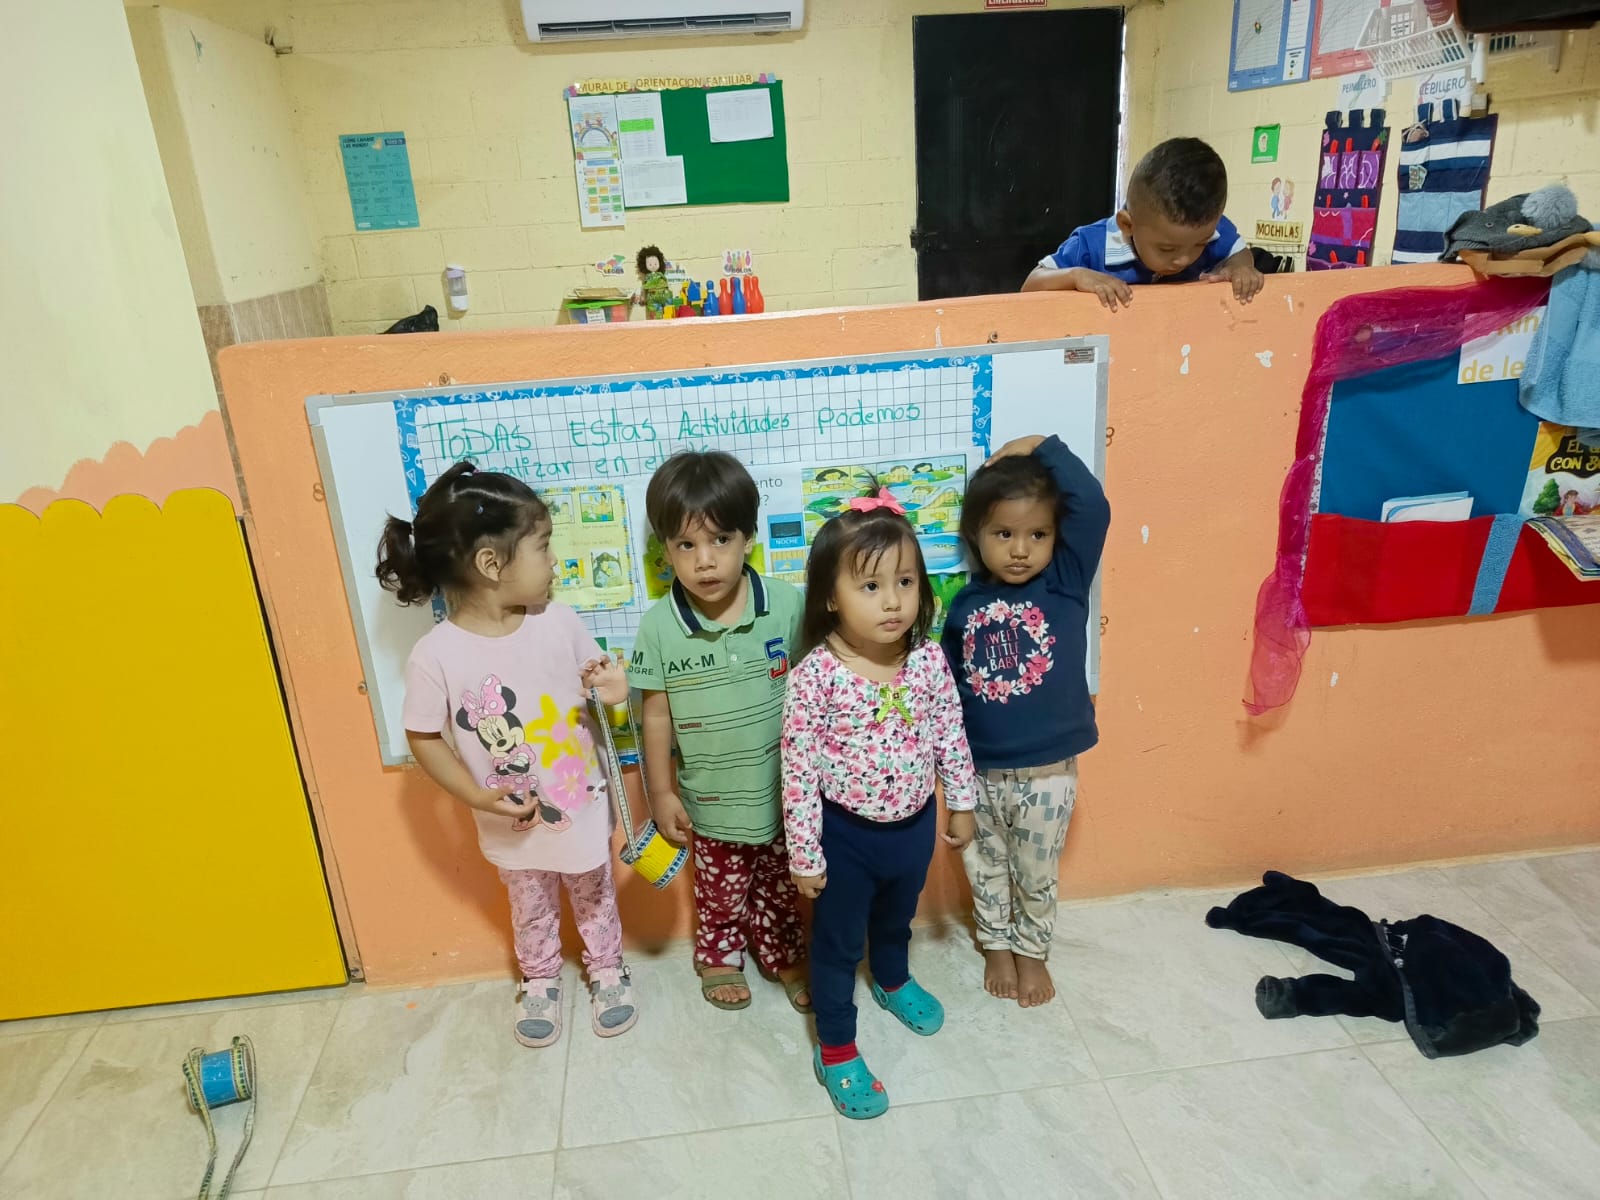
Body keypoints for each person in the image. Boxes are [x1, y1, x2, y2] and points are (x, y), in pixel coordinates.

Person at [376, 461, 636, 1048]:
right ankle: (539, 978)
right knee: (530, 903)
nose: (555, 562)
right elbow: (423, 736)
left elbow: (603, 689)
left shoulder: (560, 622)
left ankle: (607, 968)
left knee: (594, 893)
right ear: (492, 565)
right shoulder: (435, 655)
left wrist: (615, 690)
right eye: (543, 547)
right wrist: (474, 795)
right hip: (510, 818)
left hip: (579, 803)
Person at [782, 489, 979, 1120]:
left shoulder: (927, 659)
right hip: (844, 838)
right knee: (838, 945)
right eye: (871, 586)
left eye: (905, 582)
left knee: (897, 917)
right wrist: (805, 854)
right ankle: (836, 1046)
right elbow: (797, 770)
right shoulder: (814, 675)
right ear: (830, 597)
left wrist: (962, 802)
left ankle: (892, 978)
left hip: (914, 827)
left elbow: (949, 729)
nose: (893, 601)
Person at [629, 451, 811, 1013]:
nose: (705, 561)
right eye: (686, 545)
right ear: (666, 552)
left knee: (781, 888)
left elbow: (812, 693)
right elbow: (654, 714)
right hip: (708, 803)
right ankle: (718, 958)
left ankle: (782, 952)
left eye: (720, 540)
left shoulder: (786, 605)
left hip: (784, 797)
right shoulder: (659, 626)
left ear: (749, 539)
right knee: (719, 893)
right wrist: (661, 793)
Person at [942, 435, 1110, 1008]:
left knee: (1036, 872)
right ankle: (994, 943)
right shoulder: (964, 606)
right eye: (1003, 534)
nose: (1021, 550)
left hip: (1048, 772)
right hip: (979, 771)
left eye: (1038, 534)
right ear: (976, 536)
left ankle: (1032, 950)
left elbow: (1093, 506)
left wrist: (1041, 446)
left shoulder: (1065, 582)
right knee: (983, 863)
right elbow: (949, 687)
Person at [1022, 137, 1264, 310]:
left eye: (1200, 244)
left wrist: (1241, 267)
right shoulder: (1091, 245)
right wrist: (1075, 276)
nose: (1184, 260)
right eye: (1167, 249)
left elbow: (1239, 252)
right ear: (1127, 225)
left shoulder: (1209, 230)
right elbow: (1031, 284)